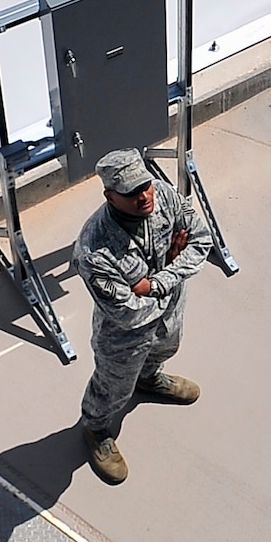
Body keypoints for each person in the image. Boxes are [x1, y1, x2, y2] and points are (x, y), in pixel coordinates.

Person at [74, 148, 211, 483]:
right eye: (131, 192)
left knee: (166, 348)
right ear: (110, 196)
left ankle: (149, 380)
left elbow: (201, 240)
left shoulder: (162, 195)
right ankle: (95, 428)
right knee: (114, 386)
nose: (144, 196)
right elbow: (127, 311)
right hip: (124, 336)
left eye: (145, 186)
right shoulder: (94, 248)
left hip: (168, 306)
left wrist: (156, 282)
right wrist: (172, 268)